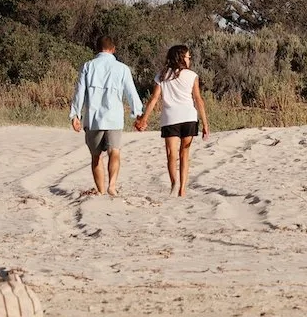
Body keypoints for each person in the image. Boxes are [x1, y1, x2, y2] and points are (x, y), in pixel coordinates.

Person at [69, 35, 143, 196]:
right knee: (114, 152)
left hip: (93, 118)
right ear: (113, 49)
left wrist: (75, 115)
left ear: (97, 48)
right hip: (114, 118)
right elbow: (131, 92)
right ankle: (112, 186)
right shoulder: (122, 68)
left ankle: (101, 190)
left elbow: (79, 92)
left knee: (96, 157)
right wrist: (138, 113)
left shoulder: (88, 66)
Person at [135, 44, 210, 197]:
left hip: (170, 118)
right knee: (185, 154)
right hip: (189, 117)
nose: (189, 59)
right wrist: (205, 124)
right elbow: (198, 100)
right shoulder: (192, 75)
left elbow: (154, 99)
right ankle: (182, 189)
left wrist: (144, 119)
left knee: (171, 154)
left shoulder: (162, 75)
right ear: (182, 58)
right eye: (188, 57)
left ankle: (174, 183)